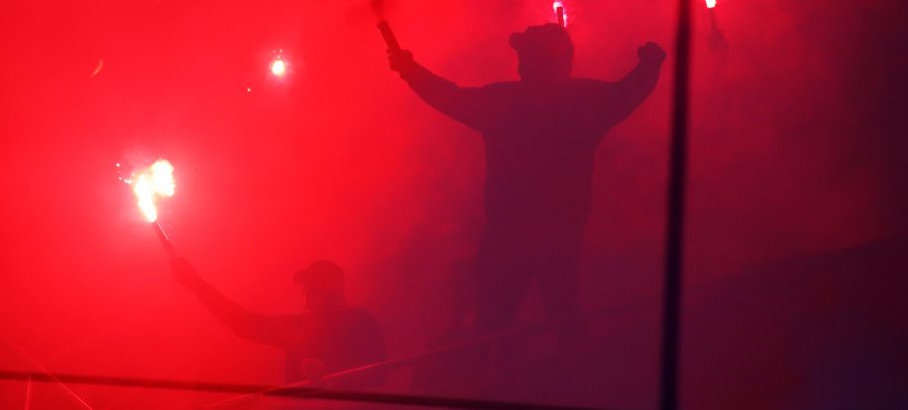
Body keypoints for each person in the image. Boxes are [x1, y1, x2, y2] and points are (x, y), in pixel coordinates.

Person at [388, 23, 665, 343]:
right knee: (562, 313)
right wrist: (650, 65)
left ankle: (496, 380)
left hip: (509, 231)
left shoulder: (506, 102)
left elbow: (449, 97)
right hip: (561, 229)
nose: (520, 63)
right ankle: (578, 378)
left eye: (525, 56)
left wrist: (411, 72)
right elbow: (629, 92)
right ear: (567, 58)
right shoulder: (584, 101)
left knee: (496, 322)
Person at [170, 256, 387, 386]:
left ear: (335, 289)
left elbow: (379, 374)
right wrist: (195, 283)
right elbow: (244, 324)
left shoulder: (359, 323)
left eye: (315, 288)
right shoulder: (298, 327)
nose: (309, 295)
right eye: (307, 289)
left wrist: (330, 374)